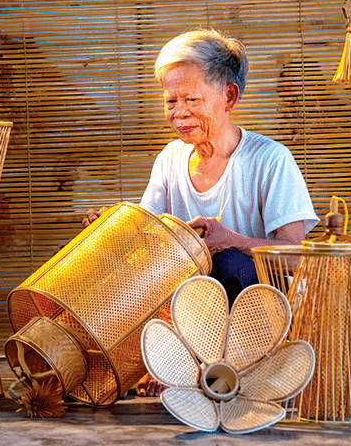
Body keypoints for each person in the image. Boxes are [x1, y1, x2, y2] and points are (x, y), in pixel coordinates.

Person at [83, 28, 319, 397]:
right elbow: (146, 239)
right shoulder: (170, 159)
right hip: (190, 309)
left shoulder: (270, 159)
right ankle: (158, 363)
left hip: (256, 315)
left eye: (191, 99)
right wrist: (112, 230)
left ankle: (216, 371)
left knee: (227, 265)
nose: (179, 114)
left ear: (229, 96)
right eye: (170, 101)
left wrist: (233, 241)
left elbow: (297, 259)